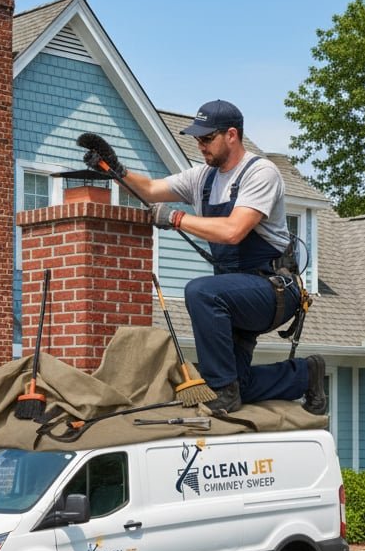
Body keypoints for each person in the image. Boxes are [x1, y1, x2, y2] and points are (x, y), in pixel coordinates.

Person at [80, 100, 326, 415]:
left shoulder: (260, 172)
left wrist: (177, 219)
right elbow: (152, 189)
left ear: (232, 135)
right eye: (198, 139)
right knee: (241, 384)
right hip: (233, 294)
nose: (200, 145)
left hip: (273, 289)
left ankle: (222, 389)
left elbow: (234, 231)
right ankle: (305, 375)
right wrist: (116, 169)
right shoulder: (203, 178)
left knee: (200, 292)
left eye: (207, 138)